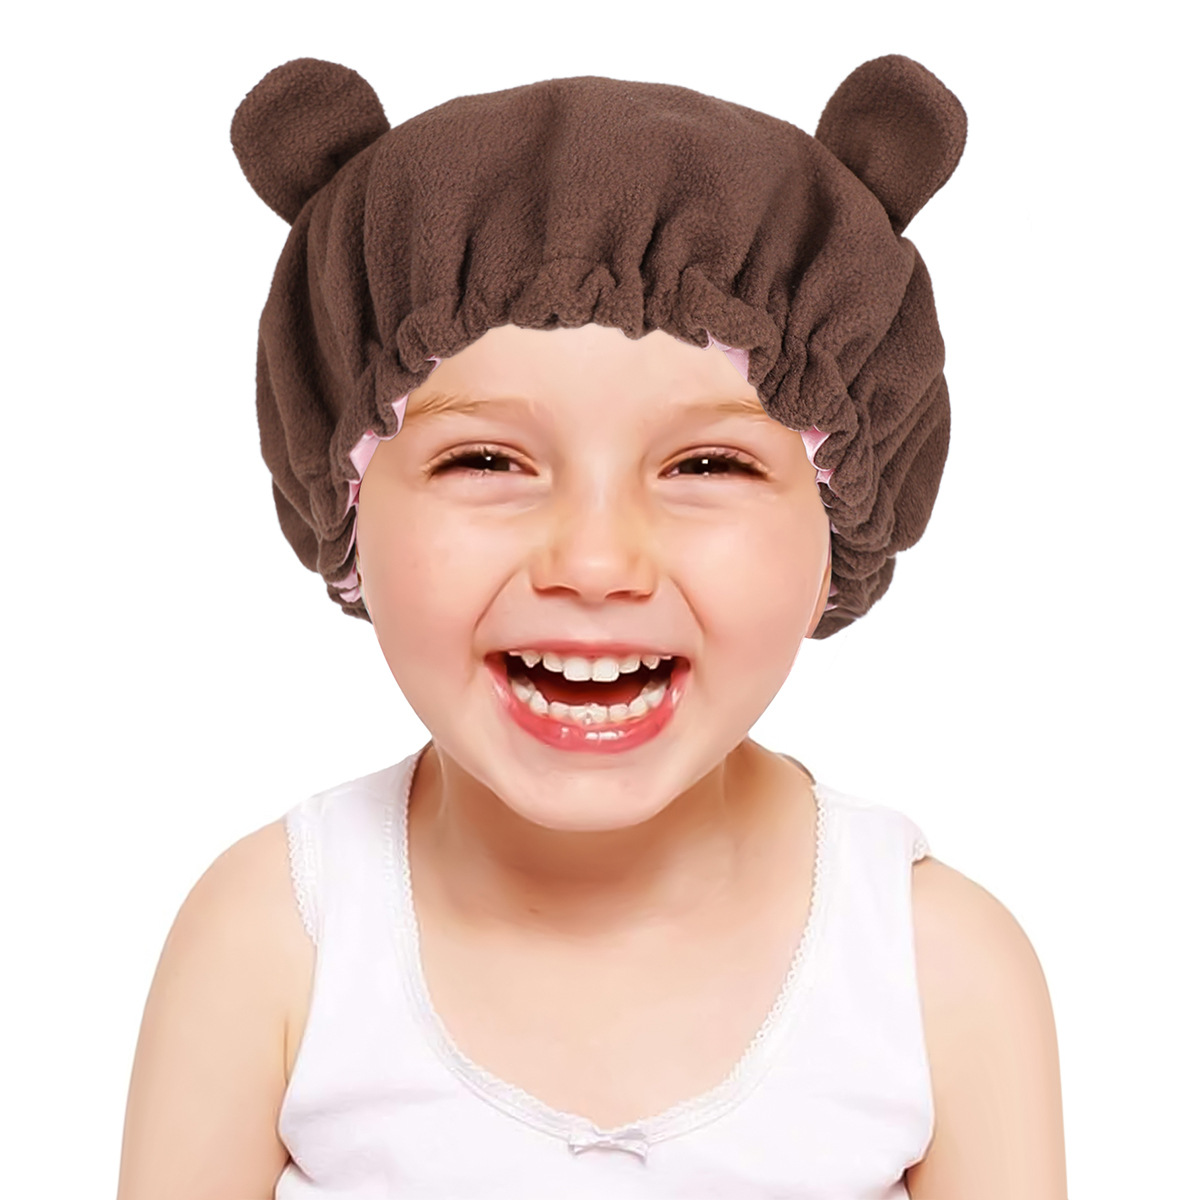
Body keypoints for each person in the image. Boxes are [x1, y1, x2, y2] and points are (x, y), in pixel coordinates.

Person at [117, 55, 1068, 1199]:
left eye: (708, 465)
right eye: (486, 460)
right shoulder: (279, 939)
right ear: (349, 503)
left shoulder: (936, 971)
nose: (597, 564)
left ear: (843, 520)